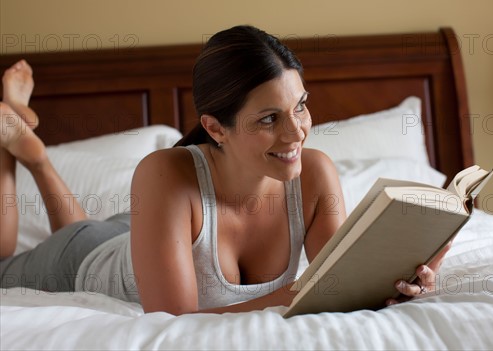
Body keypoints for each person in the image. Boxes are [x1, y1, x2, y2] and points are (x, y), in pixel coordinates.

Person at [0, 26, 450, 315]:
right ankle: (19, 148)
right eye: (269, 119)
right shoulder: (164, 174)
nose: (297, 133)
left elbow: (342, 280)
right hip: (82, 259)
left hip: (142, 235)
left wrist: (406, 279)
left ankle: (33, 151)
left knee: (83, 227)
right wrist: (308, 293)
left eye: (301, 107)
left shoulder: (315, 174)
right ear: (215, 128)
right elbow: (174, 322)